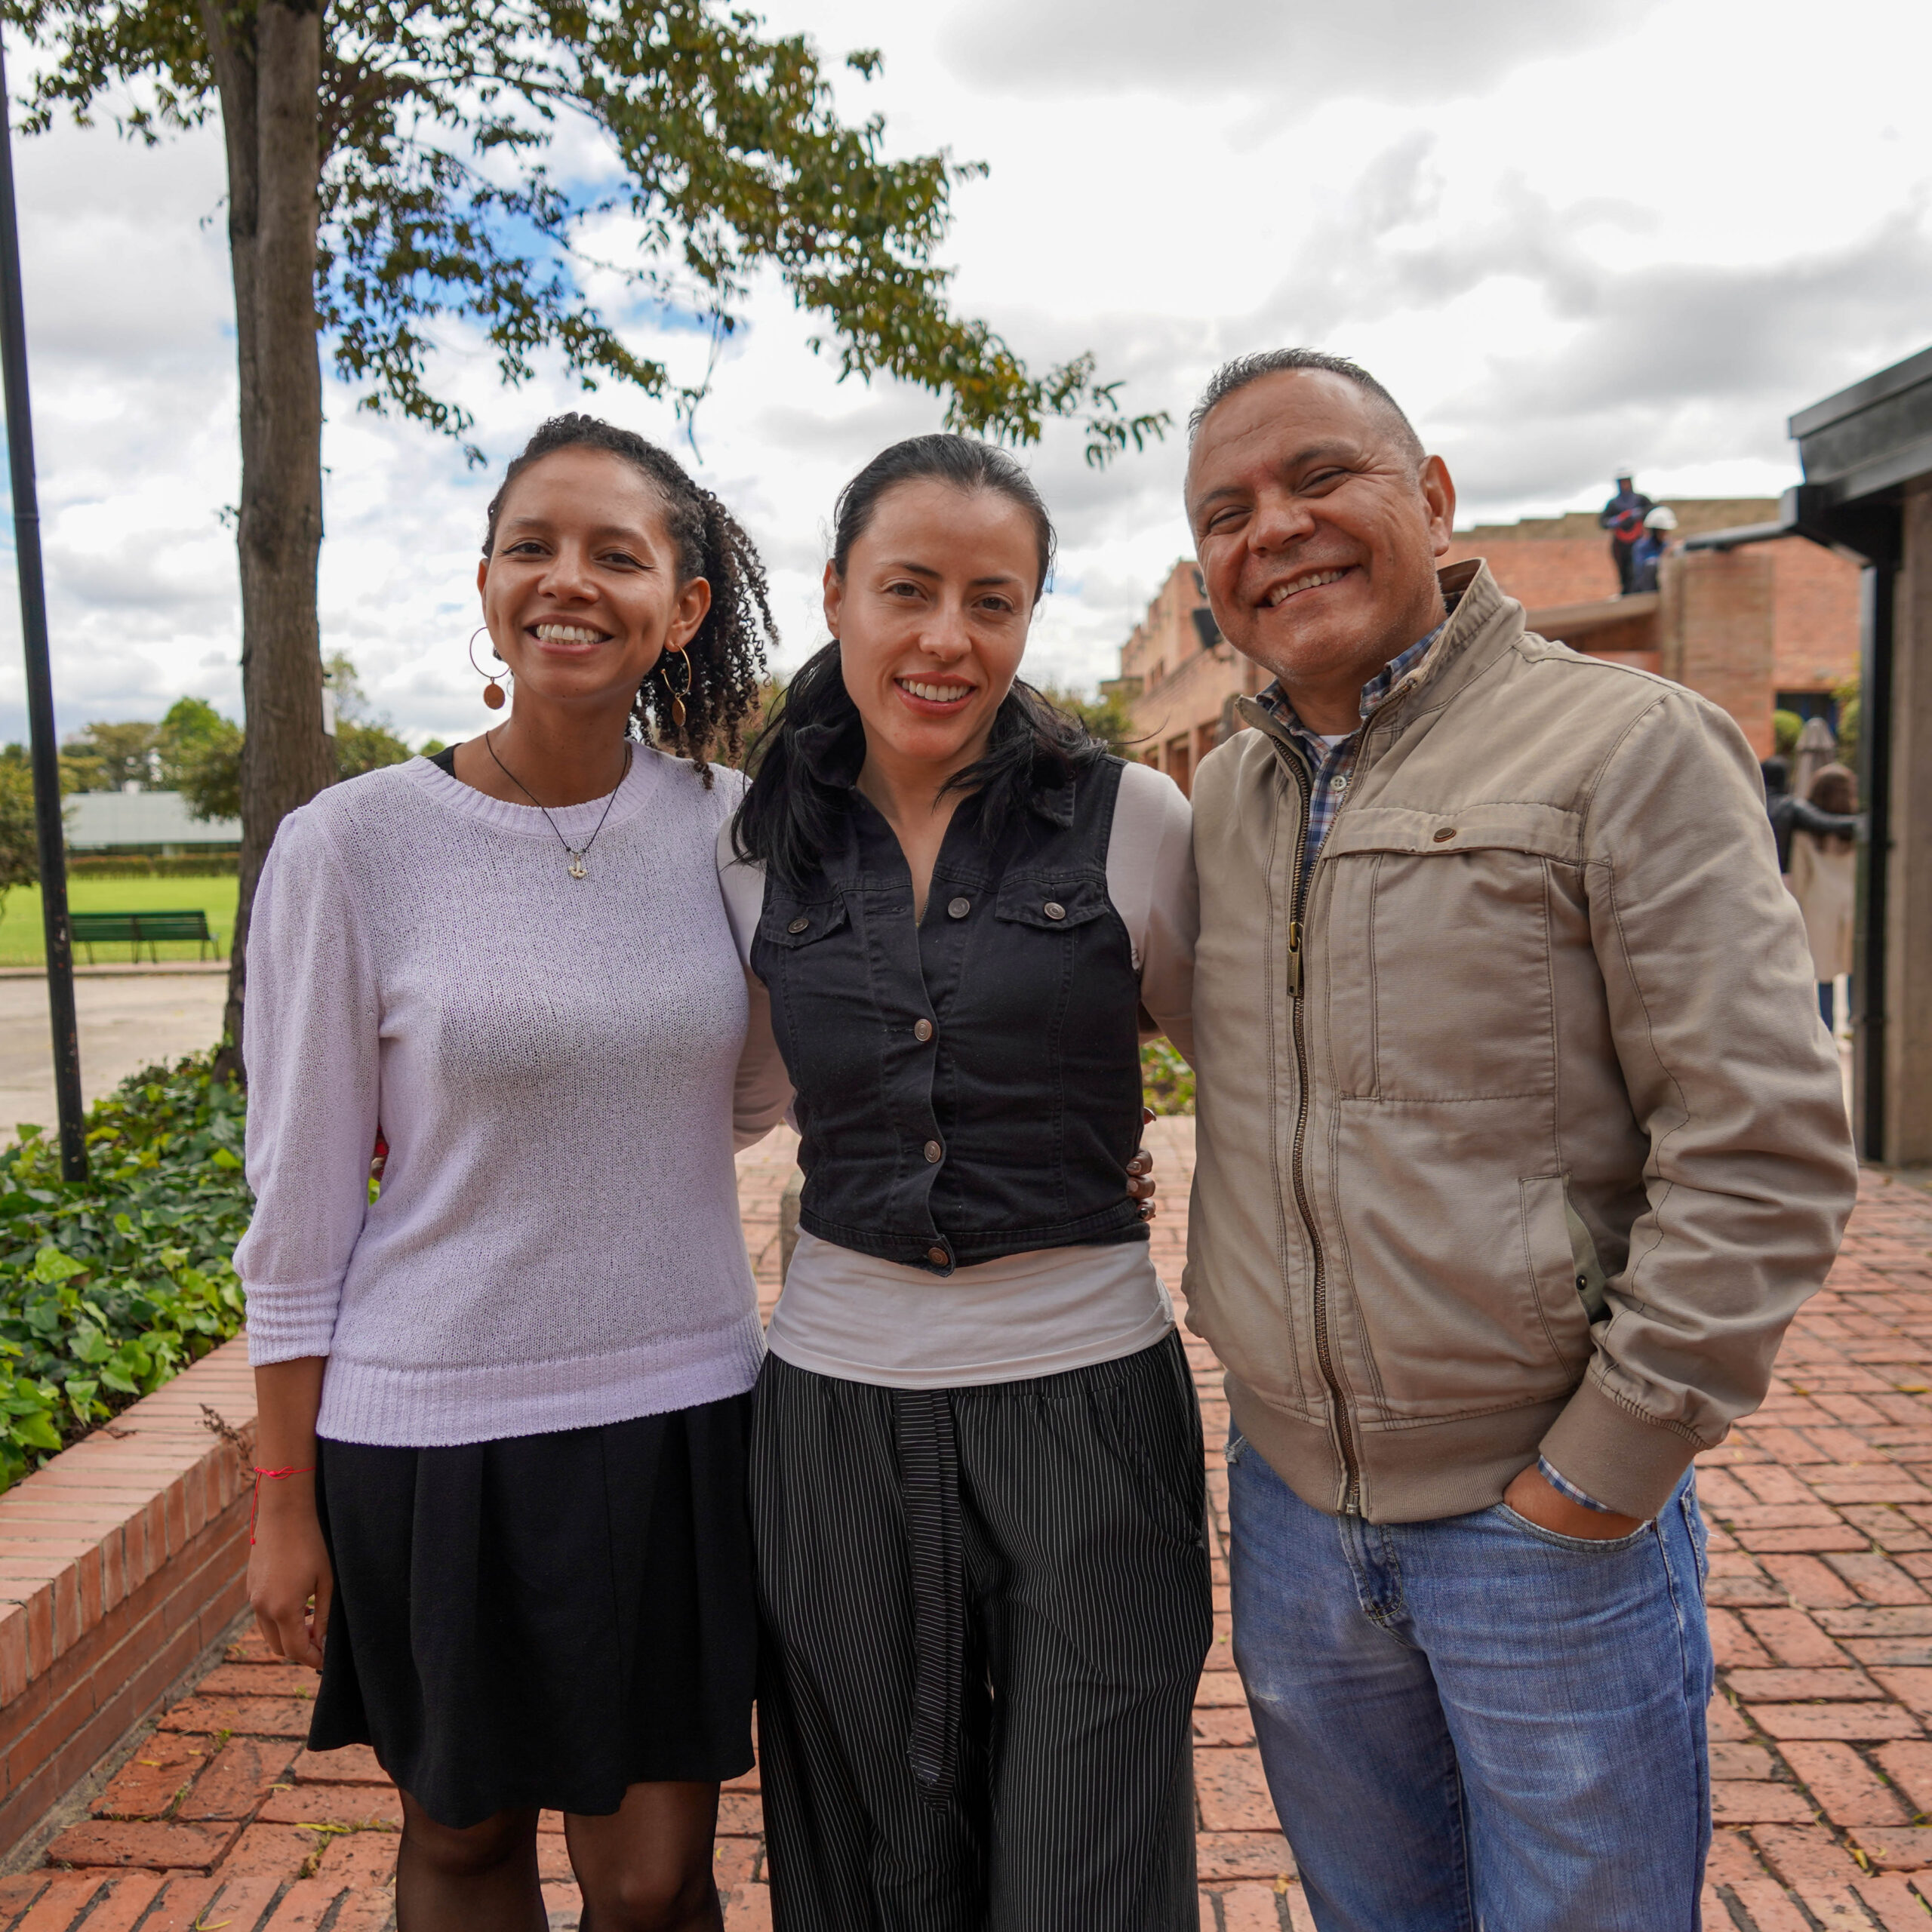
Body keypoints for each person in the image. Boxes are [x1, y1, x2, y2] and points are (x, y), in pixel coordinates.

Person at [1180, 349, 1859, 1931]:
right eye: (1224, 509)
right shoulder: (1224, 796)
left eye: (1315, 478)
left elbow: (1758, 1134)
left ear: (1429, 496)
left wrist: (1602, 1467)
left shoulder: (1624, 747)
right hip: (1290, 1513)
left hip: (1536, 1526)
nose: (1270, 527)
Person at [239, 414, 790, 1932]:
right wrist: (283, 1495)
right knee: (466, 1844)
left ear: (680, 607)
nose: (570, 580)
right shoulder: (350, 846)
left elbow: (745, 1092)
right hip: (429, 1430)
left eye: (619, 554)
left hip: (679, 1409)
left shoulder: (736, 834)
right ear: (485, 582)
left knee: (656, 1875)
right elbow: (294, 1203)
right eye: (533, 546)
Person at [722, 434, 1210, 1930]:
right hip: (833, 1410)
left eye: (990, 600)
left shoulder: (1132, 818)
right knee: (871, 1849)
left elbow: (1253, 1072)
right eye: (907, 589)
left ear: (1028, 615)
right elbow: (729, 1097)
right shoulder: (753, 848)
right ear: (834, 596)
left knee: (1087, 1850)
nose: (946, 636)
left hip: (1088, 1402)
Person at [1787, 761, 1859, 1032]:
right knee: (1854, 969)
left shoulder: (1805, 832)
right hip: (1853, 904)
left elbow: (1800, 878)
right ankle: (1855, 1023)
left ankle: (1828, 1029)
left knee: (1824, 974)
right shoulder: (1857, 827)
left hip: (1818, 908)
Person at [1761, 753, 1860, 874]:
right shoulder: (1789, 806)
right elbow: (1826, 822)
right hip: (1777, 874)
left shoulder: (1753, 803)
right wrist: (1863, 822)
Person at [1599, 467, 1654, 594]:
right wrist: (1613, 521)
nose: (1625, 485)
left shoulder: (1641, 500)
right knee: (1624, 572)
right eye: (1622, 482)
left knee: (1638, 569)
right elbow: (1602, 522)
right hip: (1621, 545)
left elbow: (1653, 510)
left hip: (1639, 541)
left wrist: (1641, 513)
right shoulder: (1613, 504)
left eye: (1627, 481)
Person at [1629, 503, 1676, 593]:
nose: (1664, 534)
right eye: (1662, 531)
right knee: (1652, 565)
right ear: (1655, 531)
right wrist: (1663, 557)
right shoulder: (1641, 547)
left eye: (1665, 531)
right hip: (1644, 588)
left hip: (1663, 586)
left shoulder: (1666, 545)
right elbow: (1641, 568)